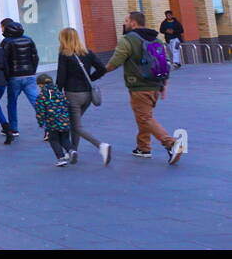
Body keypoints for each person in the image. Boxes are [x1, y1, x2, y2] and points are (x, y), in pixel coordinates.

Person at [103, 11, 183, 164]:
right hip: (155, 85)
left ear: (133, 23)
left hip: (139, 86)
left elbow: (115, 61)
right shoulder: (156, 39)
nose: (124, 23)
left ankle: (171, 143)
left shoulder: (128, 40)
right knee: (143, 116)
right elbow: (164, 62)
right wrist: (164, 83)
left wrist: (100, 72)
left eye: (126, 20)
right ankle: (143, 148)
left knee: (145, 117)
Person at [55, 27, 110, 165]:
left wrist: (56, 94)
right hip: (87, 95)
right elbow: (102, 68)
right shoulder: (87, 53)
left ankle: (101, 146)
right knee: (75, 124)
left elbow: (61, 78)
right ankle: (73, 151)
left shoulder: (64, 54)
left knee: (77, 126)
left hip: (72, 94)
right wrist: (90, 78)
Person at [0, 18, 39, 137]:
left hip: (14, 77)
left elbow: (4, 61)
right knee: (36, 102)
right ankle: (49, 127)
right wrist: (32, 71)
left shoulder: (6, 42)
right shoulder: (29, 39)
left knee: (12, 103)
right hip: (29, 75)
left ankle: (13, 128)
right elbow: (35, 57)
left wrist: (6, 76)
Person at [34, 74, 75, 166]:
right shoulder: (60, 93)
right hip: (64, 120)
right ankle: (71, 151)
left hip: (52, 122)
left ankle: (61, 158)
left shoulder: (42, 96)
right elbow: (66, 104)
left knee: (53, 140)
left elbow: (40, 110)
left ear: (41, 85)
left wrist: (40, 122)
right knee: (65, 139)